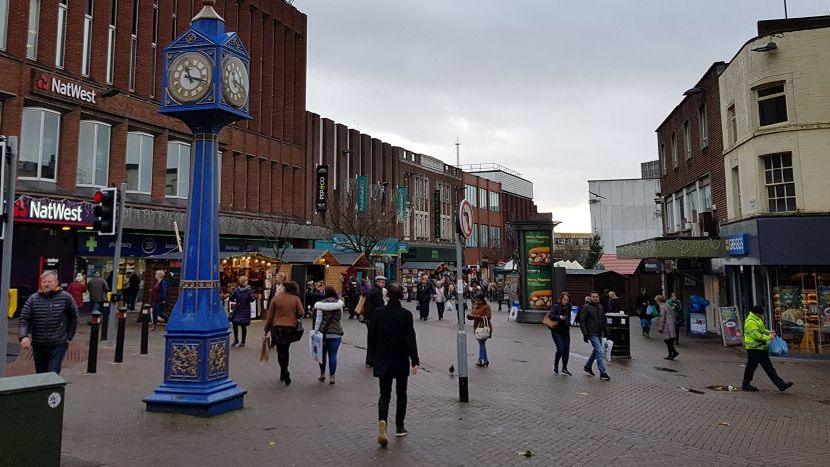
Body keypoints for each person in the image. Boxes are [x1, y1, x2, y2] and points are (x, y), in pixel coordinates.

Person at [368, 283, 419, 446]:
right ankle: (400, 426)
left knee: (384, 394)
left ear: (387, 295)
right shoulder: (406, 314)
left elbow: (372, 337)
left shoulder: (377, 313)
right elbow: (410, 338)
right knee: (401, 393)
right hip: (401, 358)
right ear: (401, 296)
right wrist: (415, 360)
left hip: (383, 358)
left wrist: (373, 356)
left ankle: (382, 420)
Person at [17, 271, 79, 374]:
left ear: (56, 282)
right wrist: (23, 336)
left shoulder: (66, 297)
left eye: (49, 281)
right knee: (41, 374)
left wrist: (69, 336)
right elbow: (24, 319)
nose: (46, 284)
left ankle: (53, 390)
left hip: (58, 343)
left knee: (52, 373)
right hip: (38, 344)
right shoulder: (33, 299)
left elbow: (74, 317)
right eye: (44, 282)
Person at [742, 305, 793, 392]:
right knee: (751, 367)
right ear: (757, 313)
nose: (762, 315)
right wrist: (769, 337)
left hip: (761, 348)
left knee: (769, 368)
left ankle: (781, 385)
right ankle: (746, 384)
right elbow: (756, 336)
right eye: (761, 314)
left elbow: (762, 330)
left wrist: (769, 332)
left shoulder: (756, 319)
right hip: (754, 349)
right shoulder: (750, 322)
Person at [263, 280, 305, 386]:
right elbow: (301, 312)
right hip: (290, 328)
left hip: (277, 328)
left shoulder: (276, 299)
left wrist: (266, 329)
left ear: (285, 288)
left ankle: (284, 371)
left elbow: (270, 317)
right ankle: (284, 370)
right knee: (286, 350)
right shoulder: (295, 298)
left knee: (280, 350)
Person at [314, 287, 344, 384]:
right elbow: (340, 318)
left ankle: (322, 374)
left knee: (321, 355)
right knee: (333, 355)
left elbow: (318, 320)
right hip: (336, 333)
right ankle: (332, 376)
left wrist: (316, 331)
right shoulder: (339, 304)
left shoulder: (321, 305)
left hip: (323, 334)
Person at [579, 291, 610, 381]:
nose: (595, 298)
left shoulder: (600, 307)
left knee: (596, 350)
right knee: (599, 350)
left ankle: (588, 366)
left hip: (599, 332)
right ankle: (603, 372)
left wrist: (606, 331)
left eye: (596, 296)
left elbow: (603, 320)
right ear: (590, 298)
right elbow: (582, 321)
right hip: (591, 333)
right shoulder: (586, 307)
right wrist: (585, 333)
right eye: (593, 297)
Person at [363, 275, 387, 367]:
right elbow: (379, 307)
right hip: (374, 319)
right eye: (382, 282)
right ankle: (373, 360)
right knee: (375, 340)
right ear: (377, 282)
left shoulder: (371, 290)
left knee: (371, 339)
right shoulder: (377, 292)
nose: (383, 284)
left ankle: (370, 360)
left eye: (384, 283)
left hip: (369, 318)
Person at [547, 292, 572, 375]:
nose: (566, 301)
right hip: (556, 330)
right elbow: (551, 316)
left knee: (566, 350)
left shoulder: (569, 306)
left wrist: (569, 321)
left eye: (567, 300)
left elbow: (569, 317)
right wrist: (559, 317)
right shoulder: (556, 306)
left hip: (565, 330)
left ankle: (564, 368)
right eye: (565, 299)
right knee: (561, 349)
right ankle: (556, 363)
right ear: (561, 299)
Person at [467, 293, 492, 367]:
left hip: (484, 327)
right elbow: (473, 314)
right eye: (476, 300)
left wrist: (475, 316)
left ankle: (480, 360)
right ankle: (486, 360)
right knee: (482, 344)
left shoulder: (487, 307)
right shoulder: (475, 307)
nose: (477, 302)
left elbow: (488, 317)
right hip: (477, 328)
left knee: (481, 343)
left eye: (478, 300)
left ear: (482, 300)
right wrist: (470, 317)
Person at [230, 275, 254, 347]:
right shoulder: (237, 290)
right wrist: (232, 295)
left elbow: (252, 299)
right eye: (246, 281)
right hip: (238, 308)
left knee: (243, 325)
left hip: (245, 309)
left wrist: (251, 296)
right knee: (235, 323)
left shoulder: (249, 290)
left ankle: (243, 341)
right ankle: (236, 339)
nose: (247, 282)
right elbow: (232, 298)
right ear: (242, 282)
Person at [656, 295, 678, 360]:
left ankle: (673, 353)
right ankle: (670, 354)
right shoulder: (667, 305)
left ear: (659, 300)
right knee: (669, 340)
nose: (656, 302)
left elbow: (662, 318)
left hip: (667, 325)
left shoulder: (662, 306)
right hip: (671, 324)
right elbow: (672, 314)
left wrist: (660, 327)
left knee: (667, 340)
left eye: (656, 301)